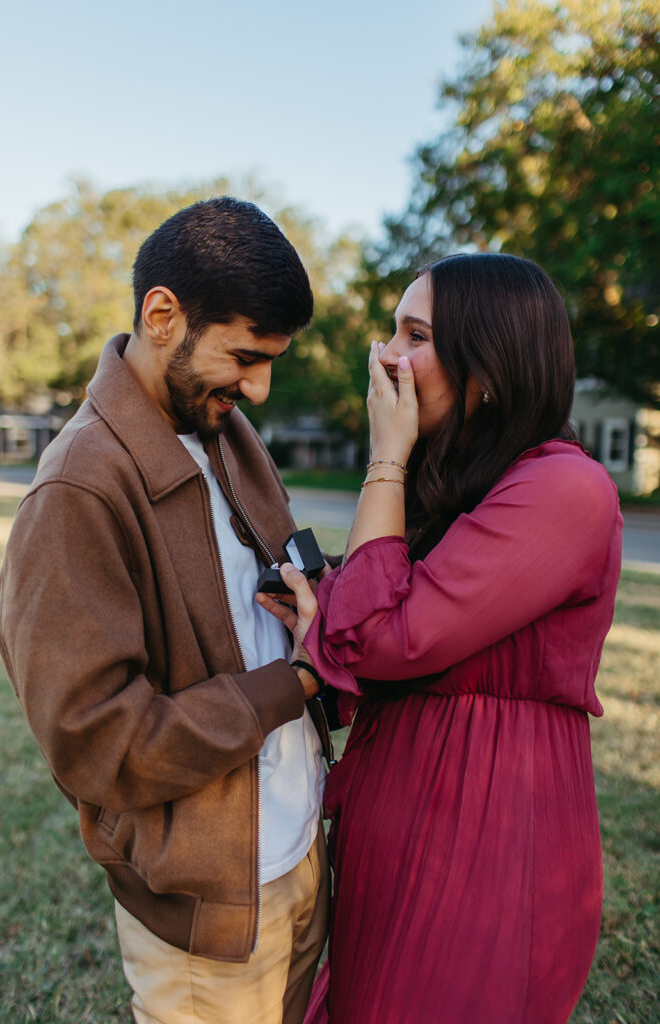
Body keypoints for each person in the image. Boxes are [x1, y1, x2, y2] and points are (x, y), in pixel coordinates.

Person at [258, 253, 622, 1024]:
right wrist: (317, 621)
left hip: (486, 843)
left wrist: (384, 457)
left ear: (486, 366)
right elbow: (368, 646)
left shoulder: (565, 489)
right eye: (391, 330)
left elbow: (383, 641)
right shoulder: (459, 485)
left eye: (414, 334)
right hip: (396, 826)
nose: (385, 356)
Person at [0, 197, 330, 1024]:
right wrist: (292, 684)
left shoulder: (225, 432)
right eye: (245, 357)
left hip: (300, 853)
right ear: (161, 315)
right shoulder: (79, 486)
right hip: (206, 907)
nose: (257, 388)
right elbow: (98, 741)